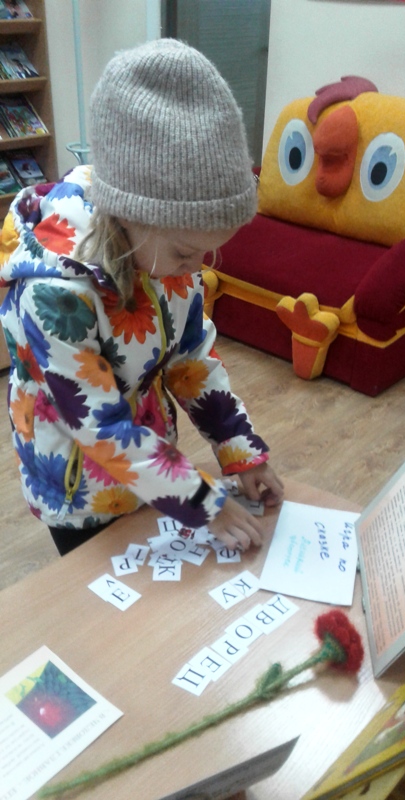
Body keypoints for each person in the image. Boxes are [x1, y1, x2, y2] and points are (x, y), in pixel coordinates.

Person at [0, 38, 284, 556]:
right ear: (127, 214)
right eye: (186, 253)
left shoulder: (163, 252)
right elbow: (101, 428)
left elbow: (191, 361)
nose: (196, 269)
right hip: (78, 491)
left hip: (151, 471)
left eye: (208, 253)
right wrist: (205, 502)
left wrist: (240, 450)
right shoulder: (52, 294)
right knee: (97, 594)